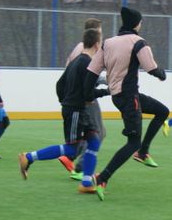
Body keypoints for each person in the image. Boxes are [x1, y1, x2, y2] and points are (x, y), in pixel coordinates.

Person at [84, 6, 169, 191]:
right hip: (130, 97)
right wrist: (163, 74)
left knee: (162, 111)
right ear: (137, 24)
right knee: (133, 142)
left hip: (120, 96)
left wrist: (87, 94)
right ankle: (102, 178)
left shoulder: (108, 43)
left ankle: (143, 152)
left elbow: (91, 71)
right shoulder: (138, 42)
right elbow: (151, 68)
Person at [18, 28, 109, 198]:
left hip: (77, 109)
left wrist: (65, 100)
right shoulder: (86, 63)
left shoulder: (77, 61)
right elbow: (88, 94)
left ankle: (87, 182)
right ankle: (29, 157)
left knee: (94, 141)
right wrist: (108, 91)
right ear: (97, 45)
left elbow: (60, 84)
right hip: (75, 110)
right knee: (72, 148)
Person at [66, 18, 107, 180]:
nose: (102, 36)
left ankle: (77, 163)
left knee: (92, 133)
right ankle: (80, 168)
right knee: (98, 133)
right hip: (85, 98)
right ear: (95, 33)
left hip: (80, 97)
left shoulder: (79, 49)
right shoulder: (85, 52)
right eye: (100, 33)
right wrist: (107, 83)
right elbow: (87, 77)